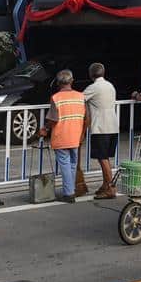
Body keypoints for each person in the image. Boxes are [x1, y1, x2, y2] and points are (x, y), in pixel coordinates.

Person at [38, 70, 86, 203]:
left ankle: (69, 193)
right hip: (76, 136)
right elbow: (86, 117)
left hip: (61, 136)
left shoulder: (56, 98)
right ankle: (70, 191)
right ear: (71, 81)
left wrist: (45, 129)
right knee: (72, 164)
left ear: (58, 83)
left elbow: (53, 119)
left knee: (64, 164)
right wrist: (82, 134)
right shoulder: (81, 96)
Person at [82, 62, 119, 199]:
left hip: (100, 127)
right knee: (105, 157)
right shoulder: (110, 86)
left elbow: (79, 98)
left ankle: (110, 187)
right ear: (103, 73)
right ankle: (105, 184)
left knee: (102, 158)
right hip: (112, 125)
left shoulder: (93, 87)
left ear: (91, 74)